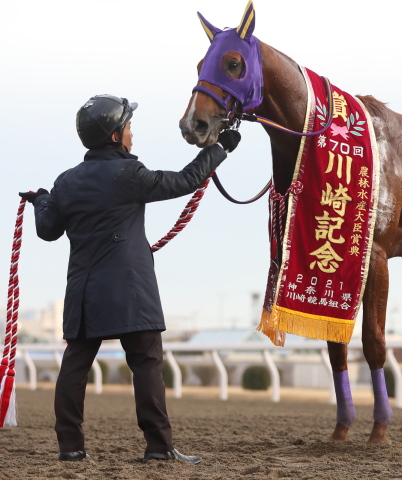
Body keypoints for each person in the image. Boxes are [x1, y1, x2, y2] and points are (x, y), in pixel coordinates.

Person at [19, 94, 240, 464]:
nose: (132, 133)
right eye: (129, 126)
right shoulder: (130, 174)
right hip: (130, 289)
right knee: (147, 364)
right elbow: (185, 180)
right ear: (115, 135)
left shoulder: (66, 181)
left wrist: (42, 198)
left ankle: (70, 447)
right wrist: (221, 150)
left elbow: (47, 230)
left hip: (84, 290)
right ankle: (158, 447)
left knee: (74, 366)